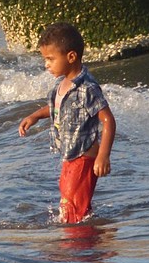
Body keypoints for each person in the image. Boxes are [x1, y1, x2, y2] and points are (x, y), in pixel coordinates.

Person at [19, 22, 116, 223]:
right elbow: (58, 107)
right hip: (70, 155)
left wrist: (103, 156)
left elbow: (108, 120)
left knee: (73, 210)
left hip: (84, 156)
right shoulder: (61, 84)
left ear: (71, 57)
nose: (46, 64)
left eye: (50, 59)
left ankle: (79, 248)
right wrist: (36, 116)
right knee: (70, 204)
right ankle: (84, 243)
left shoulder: (86, 88)